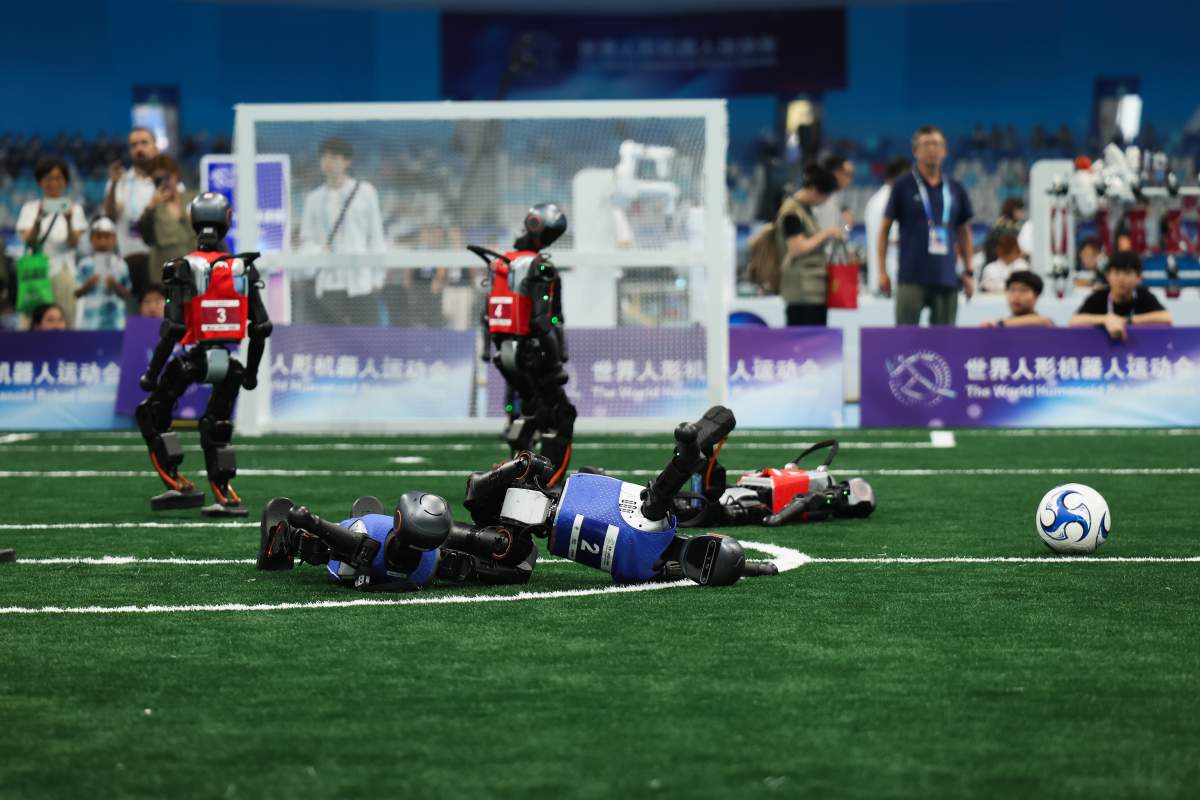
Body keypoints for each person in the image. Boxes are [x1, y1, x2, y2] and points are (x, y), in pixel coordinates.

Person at [877, 125, 975, 326]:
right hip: (910, 277)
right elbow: (884, 230)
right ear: (915, 151)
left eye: (937, 144)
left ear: (945, 151)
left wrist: (968, 270)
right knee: (905, 340)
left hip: (946, 277)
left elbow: (964, 231)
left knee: (944, 344)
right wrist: (881, 271)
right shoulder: (902, 186)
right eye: (926, 144)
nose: (932, 149)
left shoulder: (956, 188)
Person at [297, 137, 387, 325]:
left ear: (347, 161)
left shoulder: (365, 192)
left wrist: (377, 278)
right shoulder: (314, 199)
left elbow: (376, 237)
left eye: (334, 157)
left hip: (361, 282)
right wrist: (318, 253)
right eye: (324, 157)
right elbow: (307, 239)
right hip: (329, 282)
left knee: (367, 339)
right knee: (332, 343)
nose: (328, 162)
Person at [16, 158, 88, 326]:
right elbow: (30, 242)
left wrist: (69, 221)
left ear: (65, 181)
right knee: (30, 322)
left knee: (66, 319)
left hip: (63, 271)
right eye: (48, 178)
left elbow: (73, 243)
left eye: (58, 178)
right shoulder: (29, 208)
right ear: (40, 181)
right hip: (36, 273)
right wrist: (38, 220)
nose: (53, 183)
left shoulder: (75, 209)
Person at [776, 164, 844, 326]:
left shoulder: (805, 210)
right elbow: (796, 247)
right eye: (825, 196)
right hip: (802, 292)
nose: (825, 201)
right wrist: (826, 233)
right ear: (814, 190)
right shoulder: (792, 212)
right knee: (803, 345)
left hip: (813, 290)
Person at [102, 127, 159, 295]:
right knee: (131, 316)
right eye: (134, 145)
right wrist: (112, 185)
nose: (139, 148)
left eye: (144, 143)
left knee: (158, 313)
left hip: (158, 258)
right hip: (128, 259)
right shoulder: (120, 182)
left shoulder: (168, 181)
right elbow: (110, 216)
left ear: (155, 147)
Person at [1070, 250, 1172, 340]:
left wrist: (1127, 321)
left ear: (1138, 277)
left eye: (1127, 273)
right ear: (1107, 276)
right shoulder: (1099, 296)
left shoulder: (1142, 295)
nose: (1121, 279)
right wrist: (1105, 319)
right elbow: (1074, 321)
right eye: (1116, 273)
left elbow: (1166, 318)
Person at [138, 155, 201, 286]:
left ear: (176, 175)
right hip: (164, 273)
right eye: (158, 179)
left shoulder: (194, 199)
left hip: (195, 269)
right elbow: (147, 238)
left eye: (167, 177)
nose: (164, 182)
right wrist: (150, 208)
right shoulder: (152, 207)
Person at [73, 217, 132, 331]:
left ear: (114, 238)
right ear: (91, 239)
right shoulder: (84, 264)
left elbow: (127, 294)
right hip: (90, 321)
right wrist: (89, 284)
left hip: (114, 320)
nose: (102, 241)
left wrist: (114, 284)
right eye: (99, 237)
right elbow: (76, 293)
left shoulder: (121, 264)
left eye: (106, 237)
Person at [864, 157, 909, 296]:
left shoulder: (875, 200)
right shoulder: (892, 201)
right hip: (891, 280)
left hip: (878, 277)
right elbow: (894, 239)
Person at [981, 271, 1053, 328]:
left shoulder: (1043, 323)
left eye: (1023, 290)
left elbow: (1043, 321)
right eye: (1012, 290)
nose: (1016, 296)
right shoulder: (999, 327)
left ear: (1036, 296)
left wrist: (999, 324)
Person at [812, 154, 854, 232]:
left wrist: (847, 225)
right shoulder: (822, 198)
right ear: (836, 173)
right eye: (848, 174)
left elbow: (845, 230)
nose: (850, 180)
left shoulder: (836, 198)